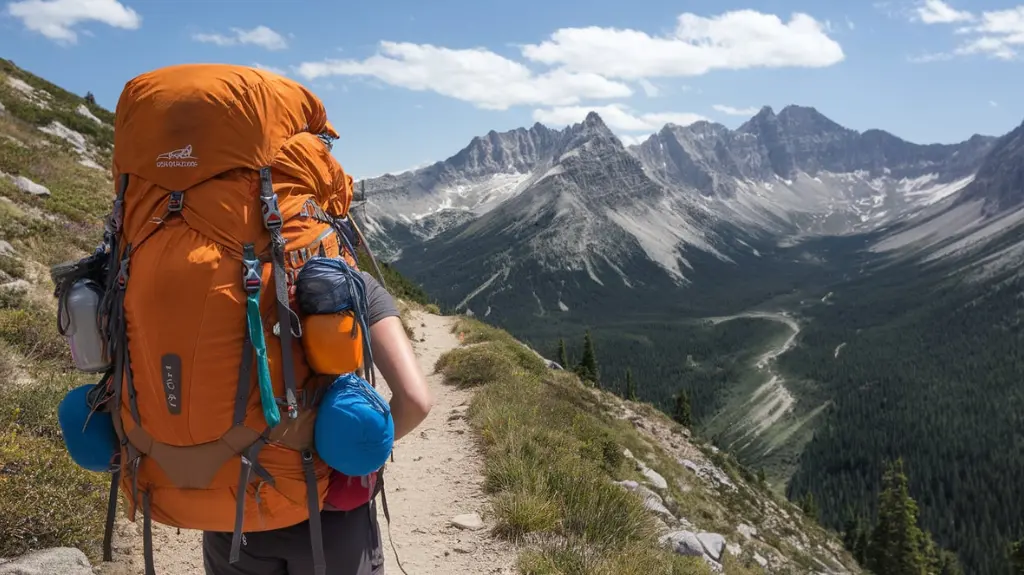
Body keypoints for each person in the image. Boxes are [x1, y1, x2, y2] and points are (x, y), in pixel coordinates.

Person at [201, 269, 434, 575]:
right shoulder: (349, 280)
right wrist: (346, 453)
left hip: (235, 504)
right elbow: (415, 402)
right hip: (332, 513)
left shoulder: (212, 279)